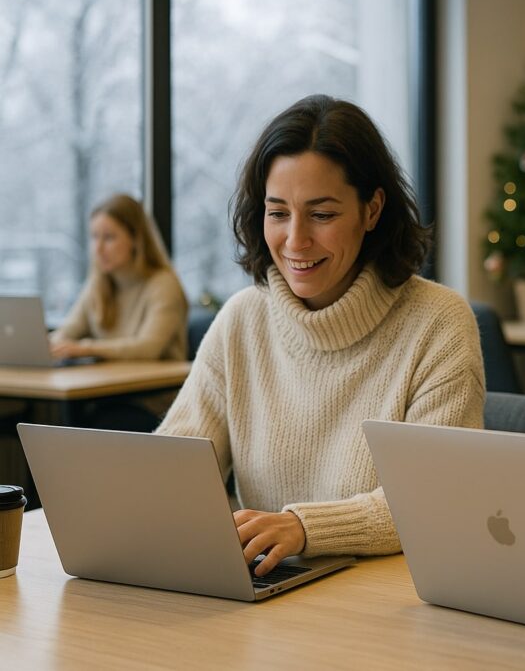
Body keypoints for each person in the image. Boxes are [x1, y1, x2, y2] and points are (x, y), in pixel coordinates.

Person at [156, 95, 485, 576]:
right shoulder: (242, 320)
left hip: (382, 599)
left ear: (372, 210)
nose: (295, 240)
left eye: (322, 214)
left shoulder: (438, 323)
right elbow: (172, 468)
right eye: (277, 213)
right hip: (265, 591)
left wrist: (304, 528)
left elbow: (435, 497)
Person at [50, 194, 189, 429]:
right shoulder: (98, 283)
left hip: (153, 403)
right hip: (106, 396)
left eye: (109, 238)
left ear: (136, 239)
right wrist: (54, 345)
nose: (98, 248)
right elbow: (68, 331)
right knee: (58, 422)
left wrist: (85, 348)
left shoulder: (163, 284)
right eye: (94, 237)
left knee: (86, 426)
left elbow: (148, 348)